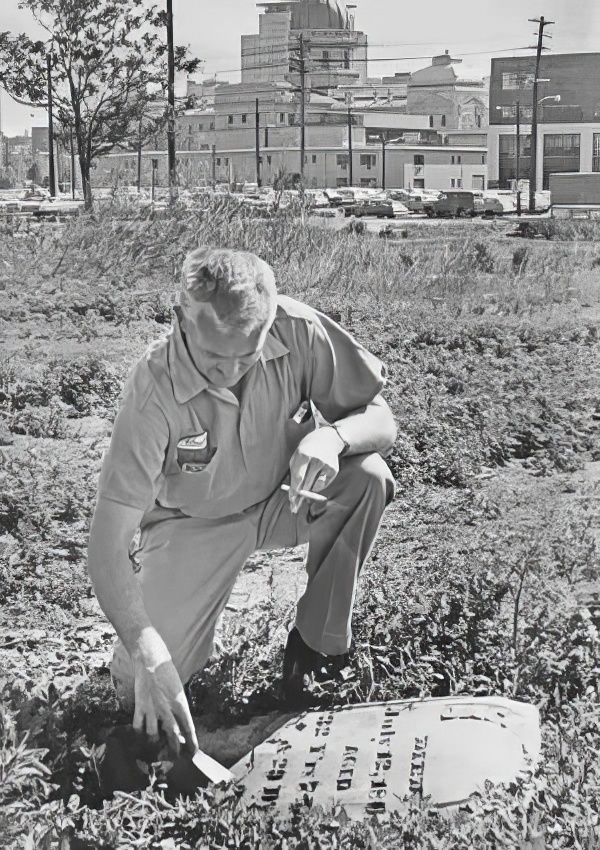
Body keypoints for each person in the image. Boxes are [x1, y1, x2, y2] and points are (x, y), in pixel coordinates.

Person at [87, 246, 397, 758]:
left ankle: (314, 652)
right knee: (138, 695)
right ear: (181, 319)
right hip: (192, 523)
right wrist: (147, 651)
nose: (229, 370)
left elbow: (381, 419)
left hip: (283, 498)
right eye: (214, 358)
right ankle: (139, 664)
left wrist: (333, 438)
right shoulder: (151, 391)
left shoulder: (298, 329)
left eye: (246, 356)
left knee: (366, 476)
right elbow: (106, 545)